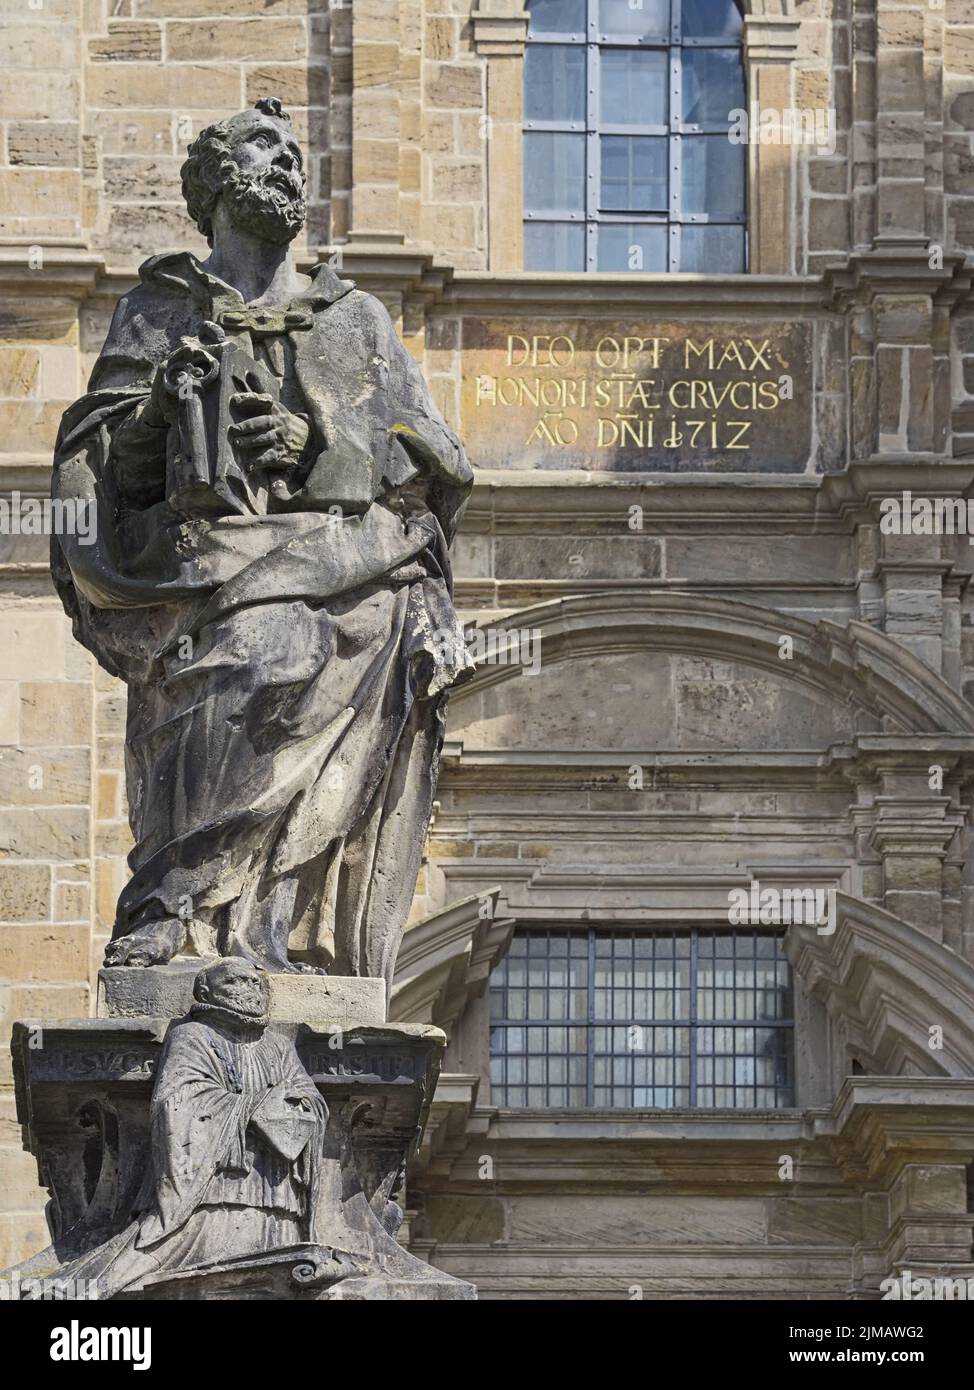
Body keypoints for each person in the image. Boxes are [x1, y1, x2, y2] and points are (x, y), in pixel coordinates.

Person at [51, 97, 474, 986]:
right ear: (212, 182)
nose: (285, 163)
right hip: (204, 564)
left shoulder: (352, 319)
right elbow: (103, 470)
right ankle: (182, 905)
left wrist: (315, 446)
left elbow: (437, 460)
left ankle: (264, 928)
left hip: (345, 565)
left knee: (287, 643)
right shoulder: (158, 308)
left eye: (293, 152)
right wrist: (165, 410)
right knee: (244, 655)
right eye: (261, 147)